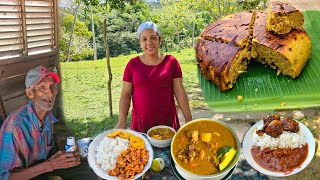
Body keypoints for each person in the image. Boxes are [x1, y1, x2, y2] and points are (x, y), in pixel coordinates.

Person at [0, 66, 96, 180]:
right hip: (25, 174)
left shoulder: (47, 115)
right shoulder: (16, 126)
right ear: (30, 93)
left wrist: (64, 157)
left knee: (88, 171)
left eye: (52, 87)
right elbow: (5, 177)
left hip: (42, 164)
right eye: (42, 88)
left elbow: (47, 152)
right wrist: (50, 165)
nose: (50, 93)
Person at [115, 21, 192, 133]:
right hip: (140, 124)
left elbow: (179, 90)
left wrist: (188, 118)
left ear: (160, 40)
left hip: (167, 123)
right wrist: (122, 121)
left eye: (153, 38)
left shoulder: (171, 62)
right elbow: (126, 94)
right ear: (140, 43)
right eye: (144, 39)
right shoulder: (132, 65)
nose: (149, 43)